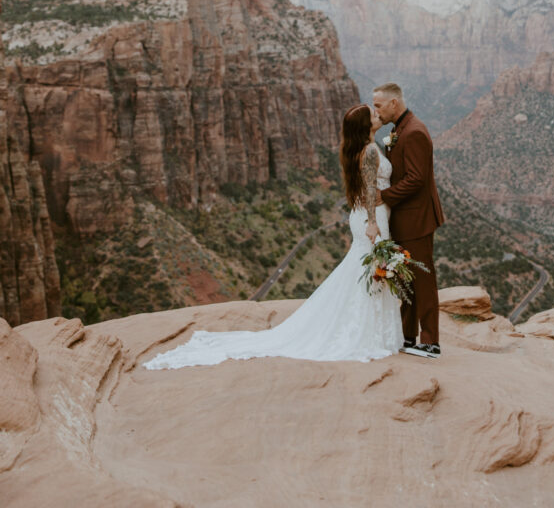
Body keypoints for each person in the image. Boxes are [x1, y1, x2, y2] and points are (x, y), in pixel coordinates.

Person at [143, 104, 403, 369]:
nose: (376, 115)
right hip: (371, 218)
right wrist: (372, 222)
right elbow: (370, 188)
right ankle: (365, 332)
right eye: (372, 114)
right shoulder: (369, 150)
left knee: (363, 271)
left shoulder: (365, 148)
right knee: (368, 270)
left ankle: (364, 327)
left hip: (367, 215)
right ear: (364, 125)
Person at [373, 82, 445, 358]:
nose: (375, 111)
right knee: (406, 278)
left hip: (417, 219)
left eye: (378, 105)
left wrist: (385, 196)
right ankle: (408, 337)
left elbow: (416, 179)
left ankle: (430, 342)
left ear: (394, 103)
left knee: (423, 280)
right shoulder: (399, 129)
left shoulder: (414, 132)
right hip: (405, 218)